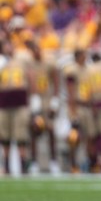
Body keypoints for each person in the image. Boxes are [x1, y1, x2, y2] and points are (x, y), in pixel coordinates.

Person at [27, 41, 60, 174]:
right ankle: (34, 162)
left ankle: (53, 161)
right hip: (35, 99)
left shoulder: (49, 64)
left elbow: (55, 81)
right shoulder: (29, 65)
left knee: (50, 131)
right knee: (35, 131)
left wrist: (55, 100)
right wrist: (32, 99)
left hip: (47, 98)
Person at [0, 43, 33, 175]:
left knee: (21, 135)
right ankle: (6, 164)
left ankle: (23, 163)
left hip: (20, 101)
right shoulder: (1, 61)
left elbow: (31, 78)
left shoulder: (22, 60)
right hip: (3, 102)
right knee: (4, 135)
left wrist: (33, 98)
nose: (9, 47)